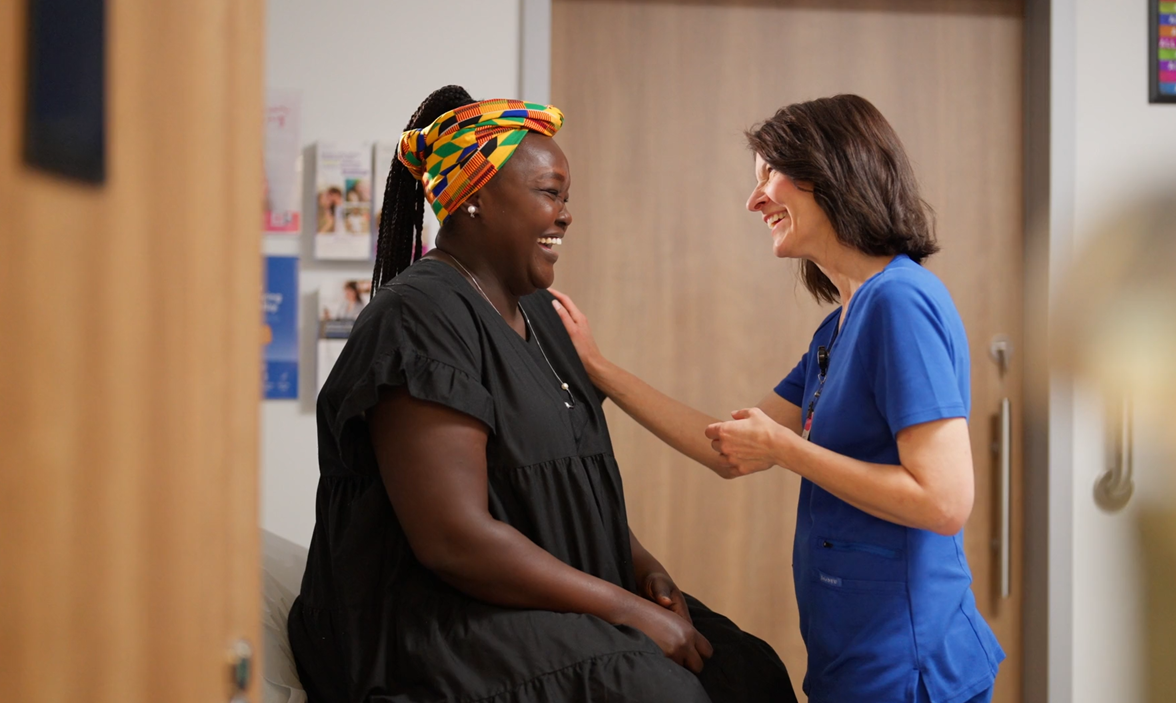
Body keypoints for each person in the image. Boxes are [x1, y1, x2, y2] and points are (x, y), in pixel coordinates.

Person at [287, 85, 796, 703]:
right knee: (661, 693)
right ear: (474, 198)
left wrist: (643, 570)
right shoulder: (418, 320)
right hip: (433, 630)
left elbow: (568, 484)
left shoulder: (545, 317)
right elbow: (455, 540)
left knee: (748, 671)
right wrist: (626, 610)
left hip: (542, 605)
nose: (566, 213)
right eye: (549, 192)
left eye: (566, 196)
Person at [550, 94, 1005, 703]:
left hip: (908, 665)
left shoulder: (900, 303)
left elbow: (944, 501)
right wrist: (599, 369)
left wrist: (790, 451)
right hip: (851, 659)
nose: (754, 199)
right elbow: (728, 448)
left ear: (830, 171)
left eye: (769, 174)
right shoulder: (839, 326)